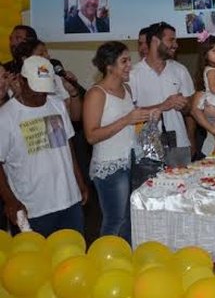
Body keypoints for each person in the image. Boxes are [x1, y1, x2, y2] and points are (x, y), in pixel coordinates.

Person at [0, 56, 88, 236]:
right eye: (36, 90)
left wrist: (79, 181)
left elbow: (67, 145)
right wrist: (10, 200)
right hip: (33, 208)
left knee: (72, 256)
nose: (41, 95)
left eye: (45, 90)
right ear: (22, 82)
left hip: (69, 200)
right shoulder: (6, 117)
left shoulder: (57, 105)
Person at [83, 42, 157, 242]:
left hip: (130, 161)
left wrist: (148, 118)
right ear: (109, 66)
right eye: (123, 61)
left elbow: (131, 127)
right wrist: (127, 120)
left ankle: (124, 260)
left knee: (130, 219)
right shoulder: (96, 93)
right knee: (115, 219)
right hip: (110, 166)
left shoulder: (127, 89)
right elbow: (91, 136)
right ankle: (106, 263)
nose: (129, 66)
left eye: (129, 60)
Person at [129, 22, 194, 150]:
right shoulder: (132, 74)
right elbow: (129, 113)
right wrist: (163, 106)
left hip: (179, 143)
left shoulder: (180, 70)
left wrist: (184, 105)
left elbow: (189, 110)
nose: (176, 45)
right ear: (155, 41)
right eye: (171, 40)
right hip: (146, 146)